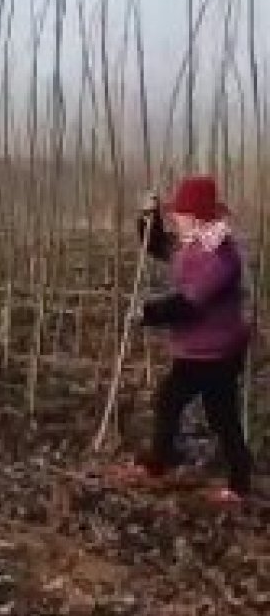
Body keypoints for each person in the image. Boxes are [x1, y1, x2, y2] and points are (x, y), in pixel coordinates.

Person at [125, 174, 252, 504]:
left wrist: (147, 313)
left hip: (218, 354)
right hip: (193, 351)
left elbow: (191, 305)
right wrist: (148, 218)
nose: (174, 221)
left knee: (221, 415)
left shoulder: (221, 257)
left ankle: (240, 481)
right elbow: (157, 245)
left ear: (196, 218)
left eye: (178, 216)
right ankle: (160, 460)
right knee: (168, 400)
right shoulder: (191, 244)